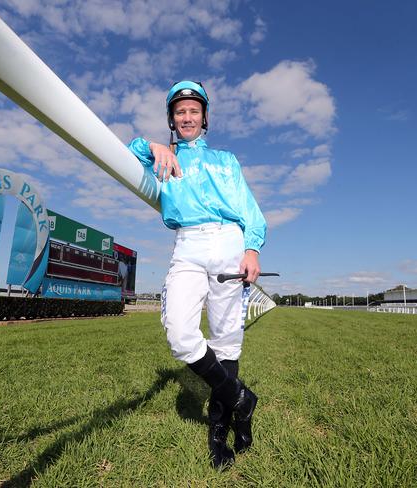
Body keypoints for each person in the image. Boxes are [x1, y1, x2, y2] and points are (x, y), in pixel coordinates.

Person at [127, 81, 267, 469]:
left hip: (228, 241)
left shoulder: (226, 160)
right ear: (172, 119)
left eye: (193, 111)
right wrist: (151, 145)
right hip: (187, 245)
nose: (187, 117)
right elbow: (122, 155)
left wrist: (252, 247)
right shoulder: (162, 157)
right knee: (179, 333)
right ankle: (242, 399)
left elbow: (249, 209)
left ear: (204, 117)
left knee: (227, 340)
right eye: (179, 111)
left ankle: (218, 433)